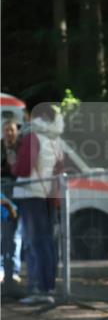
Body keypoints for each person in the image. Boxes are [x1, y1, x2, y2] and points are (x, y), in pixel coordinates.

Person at [11, 103, 64, 304]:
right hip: (46, 195)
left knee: (34, 242)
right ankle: (47, 287)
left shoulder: (32, 136)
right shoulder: (56, 140)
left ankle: (38, 290)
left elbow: (23, 169)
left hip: (30, 194)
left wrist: (14, 164)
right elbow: (59, 169)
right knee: (46, 242)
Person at [1, 120, 22, 285]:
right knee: (2, 232)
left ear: (16, 132)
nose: (9, 133)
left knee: (15, 233)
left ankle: (14, 270)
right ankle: (1, 269)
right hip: (2, 194)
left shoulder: (21, 148)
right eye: (6, 130)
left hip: (18, 194)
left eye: (12, 130)